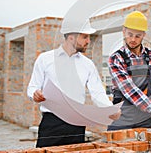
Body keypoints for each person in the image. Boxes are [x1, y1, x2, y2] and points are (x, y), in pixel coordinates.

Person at [27, 17, 120, 147]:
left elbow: (98, 93)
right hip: (52, 124)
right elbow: (32, 87)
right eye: (85, 37)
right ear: (71, 37)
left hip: (77, 124)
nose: (88, 41)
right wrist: (35, 94)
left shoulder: (88, 64)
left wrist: (109, 109)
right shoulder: (45, 59)